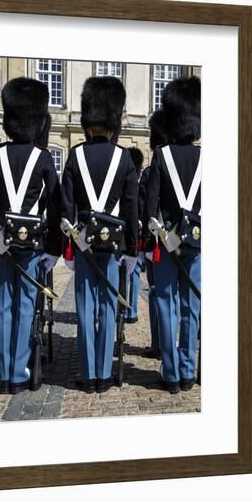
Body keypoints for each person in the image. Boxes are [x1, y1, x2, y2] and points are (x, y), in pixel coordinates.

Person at [61, 76, 138, 394]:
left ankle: (89, 374)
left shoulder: (74, 156)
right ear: (114, 119)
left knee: (84, 308)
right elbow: (133, 210)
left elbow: (65, 207)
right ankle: (104, 375)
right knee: (107, 308)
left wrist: (69, 247)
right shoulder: (125, 159)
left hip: (82, 245)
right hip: (114, 247)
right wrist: (133, 248)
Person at [0, 77, 61, 395]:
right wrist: (55, 248)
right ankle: (19, 373)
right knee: (24, 307)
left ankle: (3, 374)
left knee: (1, 306)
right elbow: (57, 206)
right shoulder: (44, 158)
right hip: (32, 245)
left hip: (1, 243)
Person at [146, 76, 201, 394]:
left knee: (165, 305)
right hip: (196, 243)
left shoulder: (160, 156)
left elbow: (150, 207)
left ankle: (170, 374)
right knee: (190, 307)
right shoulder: (205, 158)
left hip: (166, 243)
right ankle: (187, 371)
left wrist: (162, 235)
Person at [140, 109, 167, 359]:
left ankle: (160, 344)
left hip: (159, 242)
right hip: (191, 240)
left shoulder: (151, 171)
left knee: (159, 293)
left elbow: (145, 208)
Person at [126, 147, 144, 324]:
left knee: (122, 271)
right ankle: (132, 311)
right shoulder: (140, 182)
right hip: (138, 232)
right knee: (135, 272)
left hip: (126, 231)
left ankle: (122, 307)